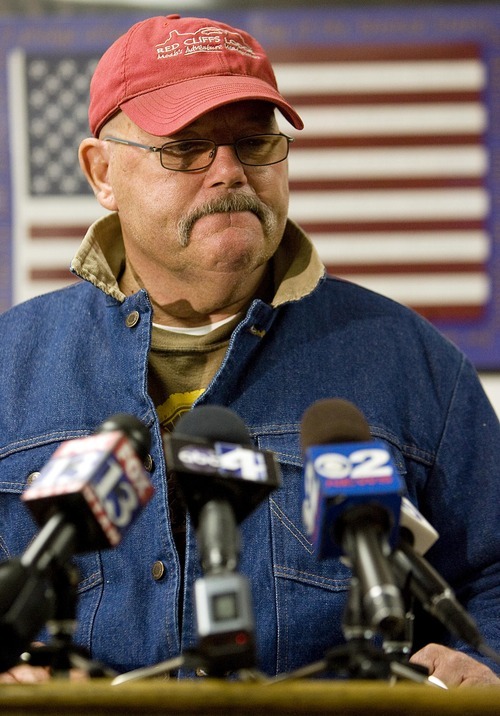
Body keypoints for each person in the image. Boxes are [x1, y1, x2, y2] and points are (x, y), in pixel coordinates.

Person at [0, 13, 498, 688]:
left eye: (255, 142)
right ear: (101, 172)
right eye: (185, 147)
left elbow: (492, 573)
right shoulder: (11, 364)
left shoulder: (413, 365)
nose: (229, 172)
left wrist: (484, 663)